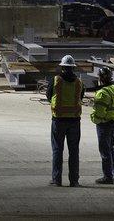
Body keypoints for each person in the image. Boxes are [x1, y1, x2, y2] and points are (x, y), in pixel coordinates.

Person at [45, 54, 84, 187]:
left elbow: (49, 96)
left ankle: (56, 179)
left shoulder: (56, 80)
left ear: (62, 67)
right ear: (73, 68)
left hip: (59, 120)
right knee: (74, 151)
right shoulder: (79, 82)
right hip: (74, 121)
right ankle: (74, 181)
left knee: (57, 150)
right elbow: (81, 97)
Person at [91, 67, 114, 184]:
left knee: (105, 151)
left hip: (104, 124)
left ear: (100, 78)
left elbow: (99, 113)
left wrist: (94, 119)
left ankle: (108, 176)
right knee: (111, 148)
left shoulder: (102, 93)